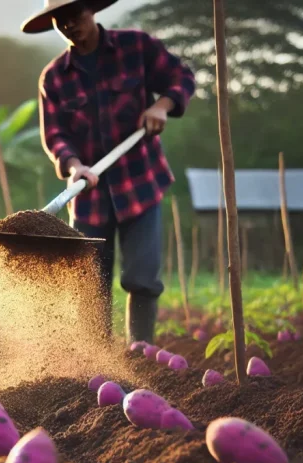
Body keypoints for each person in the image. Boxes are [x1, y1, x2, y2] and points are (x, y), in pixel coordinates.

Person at [21, 0, 195, 345]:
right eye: (60, 20)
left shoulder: (135, 47)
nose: (69, 24)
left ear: (92, 10)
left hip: (140, 184)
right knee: (90, 285)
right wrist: (74, 166)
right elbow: (55, 135)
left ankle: (139, 352)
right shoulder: (54, 77)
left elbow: (182, 77)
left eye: (76, 14)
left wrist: (162, 105)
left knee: (142, 277)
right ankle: (97, 360)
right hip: (89, 197)